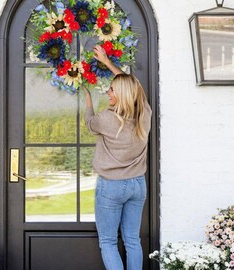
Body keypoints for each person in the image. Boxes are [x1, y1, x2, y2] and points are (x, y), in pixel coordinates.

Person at [82, 45, 152, 270]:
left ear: (120, 94)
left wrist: (88, 100)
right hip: (137, 185)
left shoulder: (106, 119)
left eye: (111, 90)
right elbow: (135, 87)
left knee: (109, 242)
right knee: (132, 240)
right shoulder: (145, 115)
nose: (108, 93)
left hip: (111, 187)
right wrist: (108, 62)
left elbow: (89, 124)